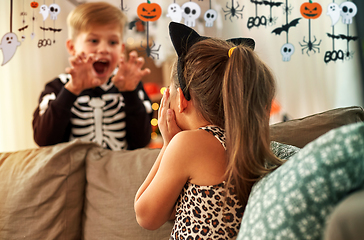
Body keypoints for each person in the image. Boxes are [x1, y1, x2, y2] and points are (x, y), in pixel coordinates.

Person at [134, 22, 285, 239]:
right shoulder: (246, 143)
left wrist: (168, 143)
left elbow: (145, 216)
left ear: (181, 101)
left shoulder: (188, 144)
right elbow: (167, 210)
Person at [32, 2, 153, 150]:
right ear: (72, 47)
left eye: (113, 42)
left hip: (119, 170)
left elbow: (142, 141)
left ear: (121, 50)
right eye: (93, 40)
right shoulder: (57, 87)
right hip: (74, 171)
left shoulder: (130, 87)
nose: (103, 49)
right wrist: (71, 90)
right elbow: (44, 140)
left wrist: (130, 93)